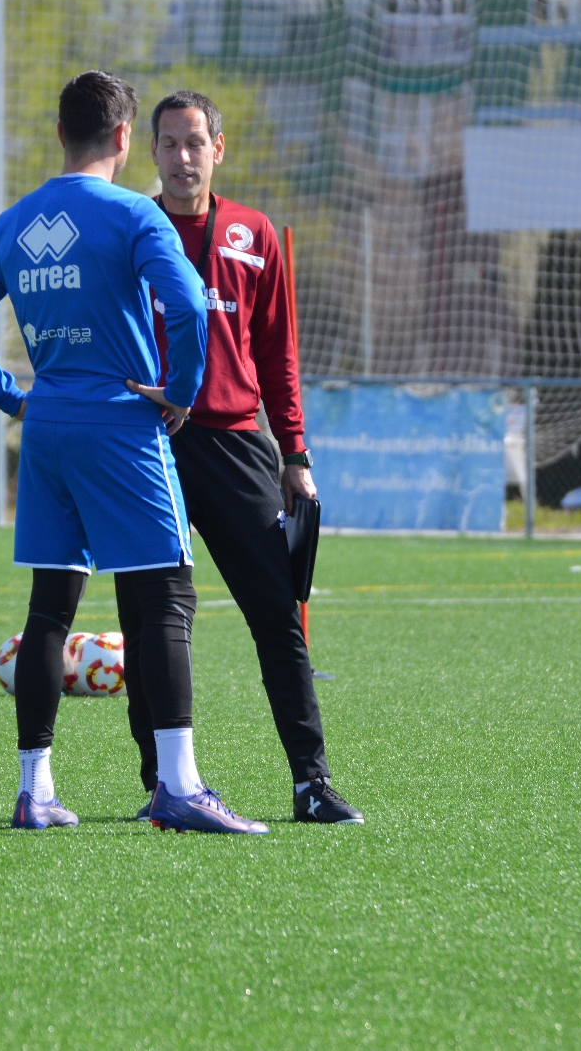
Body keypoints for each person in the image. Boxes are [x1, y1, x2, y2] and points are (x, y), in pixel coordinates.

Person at [0, 71, 268, 835]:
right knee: (167, 596)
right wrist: (180, 391)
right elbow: (187, 304)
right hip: (120, 426)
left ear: (60, 134)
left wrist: (15, 398)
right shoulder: (132, 214)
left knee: (50, 607)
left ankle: (35, 790)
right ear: (123, 137)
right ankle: (178, 785)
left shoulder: (16, 221)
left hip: (48, 428)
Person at [125, 90, 364, 825]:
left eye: (195, 142)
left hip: (235, 443)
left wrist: (294, 452)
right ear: (151, 151)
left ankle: (311, 782)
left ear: (218, 149)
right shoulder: (129, 228)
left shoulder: (252, 232)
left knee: (277, 615)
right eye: (169, 143)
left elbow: (276, 352)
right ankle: (164, 782)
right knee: (149, 618)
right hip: (150, 443)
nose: (182, 157)